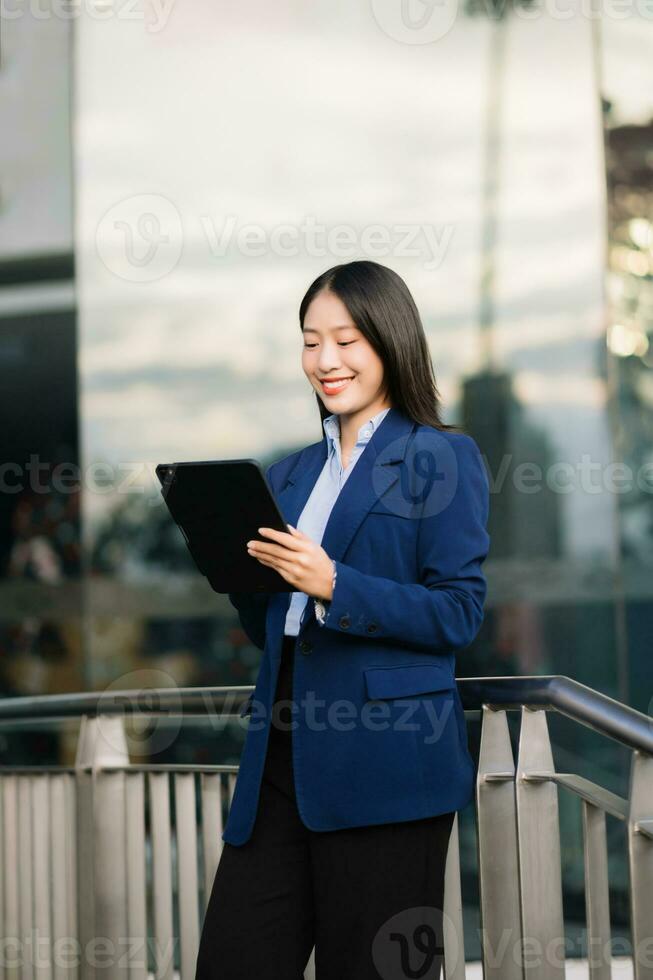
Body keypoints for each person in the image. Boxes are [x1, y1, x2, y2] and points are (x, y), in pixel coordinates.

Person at [195, 260, 490, 980]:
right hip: (281, 755)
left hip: (387, 765)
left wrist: (332, 583)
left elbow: (458, 611)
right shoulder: (291, 473)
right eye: (308, 341)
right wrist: (235, 570)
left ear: (390, 341)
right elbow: (272, 621)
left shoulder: (441, 456)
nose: (324, 360)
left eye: (346, 339)